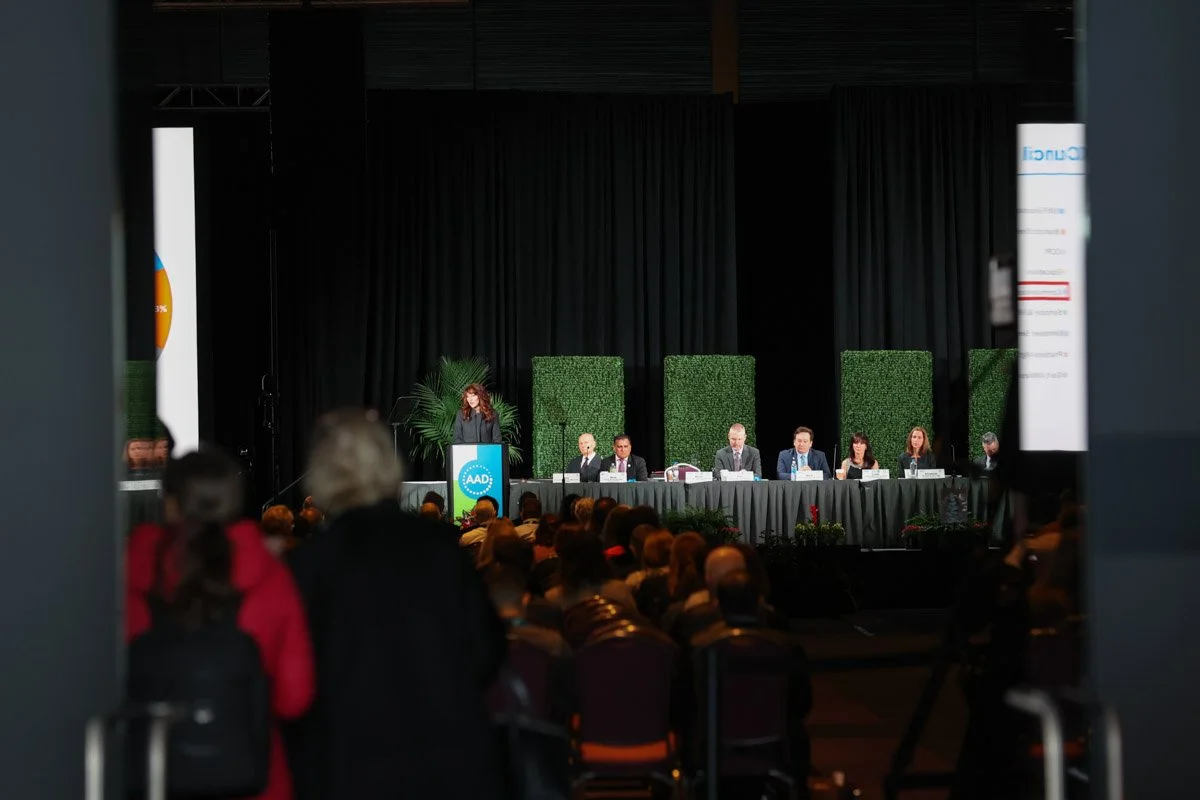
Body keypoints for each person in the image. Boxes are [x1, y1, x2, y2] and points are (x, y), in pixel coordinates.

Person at [285, 409, 507, 800]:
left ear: (322, 475)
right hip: (449, 761)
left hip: (349, 767)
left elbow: (295, 685)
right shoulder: (440, 547)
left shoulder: (310, 563)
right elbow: (486, 653)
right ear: (390, 467)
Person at [125, 449, 315, 800]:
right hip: (253, 782)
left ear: (170, 503)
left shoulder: (130, 574)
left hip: (151, 779)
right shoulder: (270, 577)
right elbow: (295, 699)